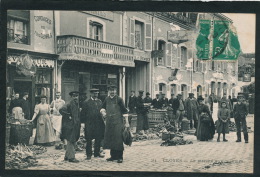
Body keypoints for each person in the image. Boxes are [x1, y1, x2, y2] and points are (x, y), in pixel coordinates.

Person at [100, 85, 129, 163]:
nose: (112, 92)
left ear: (116, 91)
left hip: (118, 122)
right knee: (111, 139)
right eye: (111, 90)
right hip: (109, 123)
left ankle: (120, 157)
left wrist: (127, 123)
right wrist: (103, 112)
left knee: (118, 139)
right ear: (108, 91)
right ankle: (113, 156)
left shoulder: (119, 99)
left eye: (114, 90)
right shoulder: (107, 99)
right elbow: (102, 108)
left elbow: (124, 111)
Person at [81, 88, 105, 160]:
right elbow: (83, 114)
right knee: (89, 139)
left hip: (98, 123)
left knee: (98, 139)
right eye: (94, 93)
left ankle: (96, 153)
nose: (96, 95)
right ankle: (89, 154)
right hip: (89, 124)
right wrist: (83, 123)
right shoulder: (86, 102)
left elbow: (102, 111)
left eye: (97, 93)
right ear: (91, 94)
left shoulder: (100, 102)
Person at [59, 91, 81, 163]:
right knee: (71, 140)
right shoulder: (68, 104)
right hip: (70, 125)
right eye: (74, 96)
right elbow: (61, 110)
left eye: (77, 96)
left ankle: (67, 156)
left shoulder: (76, 104)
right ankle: (71, 158)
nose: (75, 97)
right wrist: (68, 116)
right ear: (71, 97)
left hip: (75, 125)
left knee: (71, 140)